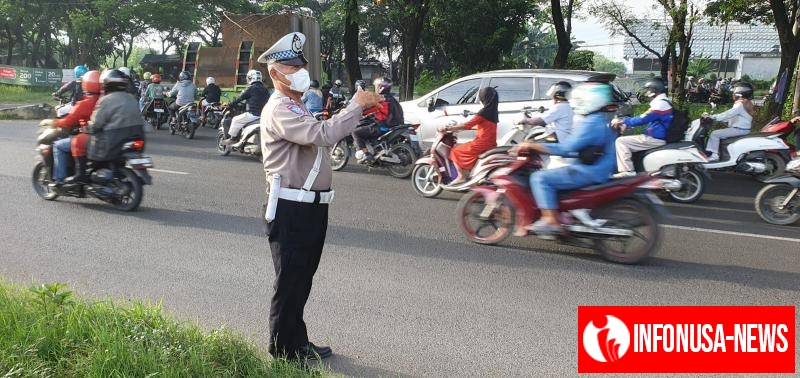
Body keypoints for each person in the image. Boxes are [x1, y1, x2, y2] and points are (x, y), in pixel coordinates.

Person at [256, 32, 382, 361]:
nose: (299, 71)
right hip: (291, 209)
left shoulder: (295, 105)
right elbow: (321, 135)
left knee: (301, 281)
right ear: (274, 73)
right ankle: (283, 351)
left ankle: (296, 342)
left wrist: (354, 112)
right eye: (291, 66)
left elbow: (319, 132)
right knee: (290, 282)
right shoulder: (279, 108)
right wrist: (355, 105)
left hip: (309, 208)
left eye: (301, 65)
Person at [510, 82, 617, 236]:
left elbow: (566, 148)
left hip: (591, 170)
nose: (576, 103)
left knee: (540, 178)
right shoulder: (597, 118)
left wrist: (532, 146)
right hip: (594, 165)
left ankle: (550, 221)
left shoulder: (591, 123)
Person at [40, 70, 102, 185]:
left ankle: (59, 179)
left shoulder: (85, 103)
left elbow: (68, 121)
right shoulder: (104, 99)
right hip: (101, 136)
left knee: (58, 146)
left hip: (87, 135)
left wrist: (53, 123)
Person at [611, 78, 673, 178]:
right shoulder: (664, 102)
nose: (647, 92)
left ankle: (627, 170)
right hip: (657, 135)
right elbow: (646, 119)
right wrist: (628, 124)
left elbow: (642, 119)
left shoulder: (660, 104)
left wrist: (623, 121)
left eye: (649, 89)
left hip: (655, 138)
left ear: (654, 90)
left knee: (621, 141)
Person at [438, 87, 499, 185]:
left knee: (455, 151)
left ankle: (461, 176)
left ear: (484, 98)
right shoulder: (493, 112)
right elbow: (482, 127)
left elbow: (467, 125)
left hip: (481, 143)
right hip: (491, 143)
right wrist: (458, 128)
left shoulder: (483, 113)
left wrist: (448, 128)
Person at [84, 69, 146, 163]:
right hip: (138, 135)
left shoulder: (105, 100)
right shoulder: (131, 98)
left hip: (114, 141)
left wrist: (87, 128)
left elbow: (96, 124)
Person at [352, 77, 404, 163]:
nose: (375, 88)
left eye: (377, 86)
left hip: (384, 126)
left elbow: (368, 109)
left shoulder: (380, 99)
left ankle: (367, 155)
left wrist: (359, 111)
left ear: (381, 87)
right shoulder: (393, 99)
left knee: (356, 132)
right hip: (395, 125)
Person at [702, 82, 755, 161]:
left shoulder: (740, 104)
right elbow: (732, 116)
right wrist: (718, 118)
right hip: (742, 129)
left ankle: (714, 156)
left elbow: (728, 114)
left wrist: (713, 117)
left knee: (714, 134)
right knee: (718, 133)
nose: (732, 94)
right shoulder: (746, 102)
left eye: (734, 93)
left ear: (739, 93)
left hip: (740, 129)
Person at [221, 69, 270, 146]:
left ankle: (232, 139)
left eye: (248, 78)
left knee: (235, 120)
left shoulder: (250, 88)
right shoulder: (265, 89)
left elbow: (239, 99)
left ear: (250, 78)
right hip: (264, 115)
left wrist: (230, 105)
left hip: (253, 114)